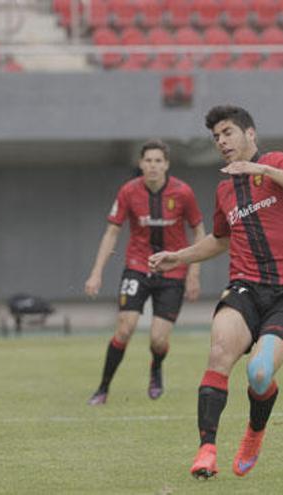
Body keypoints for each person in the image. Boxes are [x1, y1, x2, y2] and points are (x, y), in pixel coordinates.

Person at [148, 105, 283, 480]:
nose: (222, 142)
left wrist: (263, 169)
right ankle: (206, 451)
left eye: (228, 133)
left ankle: (254, 433)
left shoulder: (275, 162)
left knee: (259, 374)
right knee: (219, 353)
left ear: (250, 134)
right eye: (216, 137)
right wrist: (177, 257)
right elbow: (218, 240)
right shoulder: (225, 189)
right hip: (244, 287)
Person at [85, 139, 205, 405]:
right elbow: (112, 232)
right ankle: (103, 389)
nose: (152, 166)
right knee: (124, 328)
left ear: (167, 165)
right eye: (148, 161)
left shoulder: (183, 193)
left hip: (173, 271)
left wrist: (194, 274)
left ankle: (156, 368)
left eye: (158, 161)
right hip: (137, 267)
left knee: (158, 340)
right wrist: (96, 272)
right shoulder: (128, 192)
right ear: (141, 164)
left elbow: (199, 230)